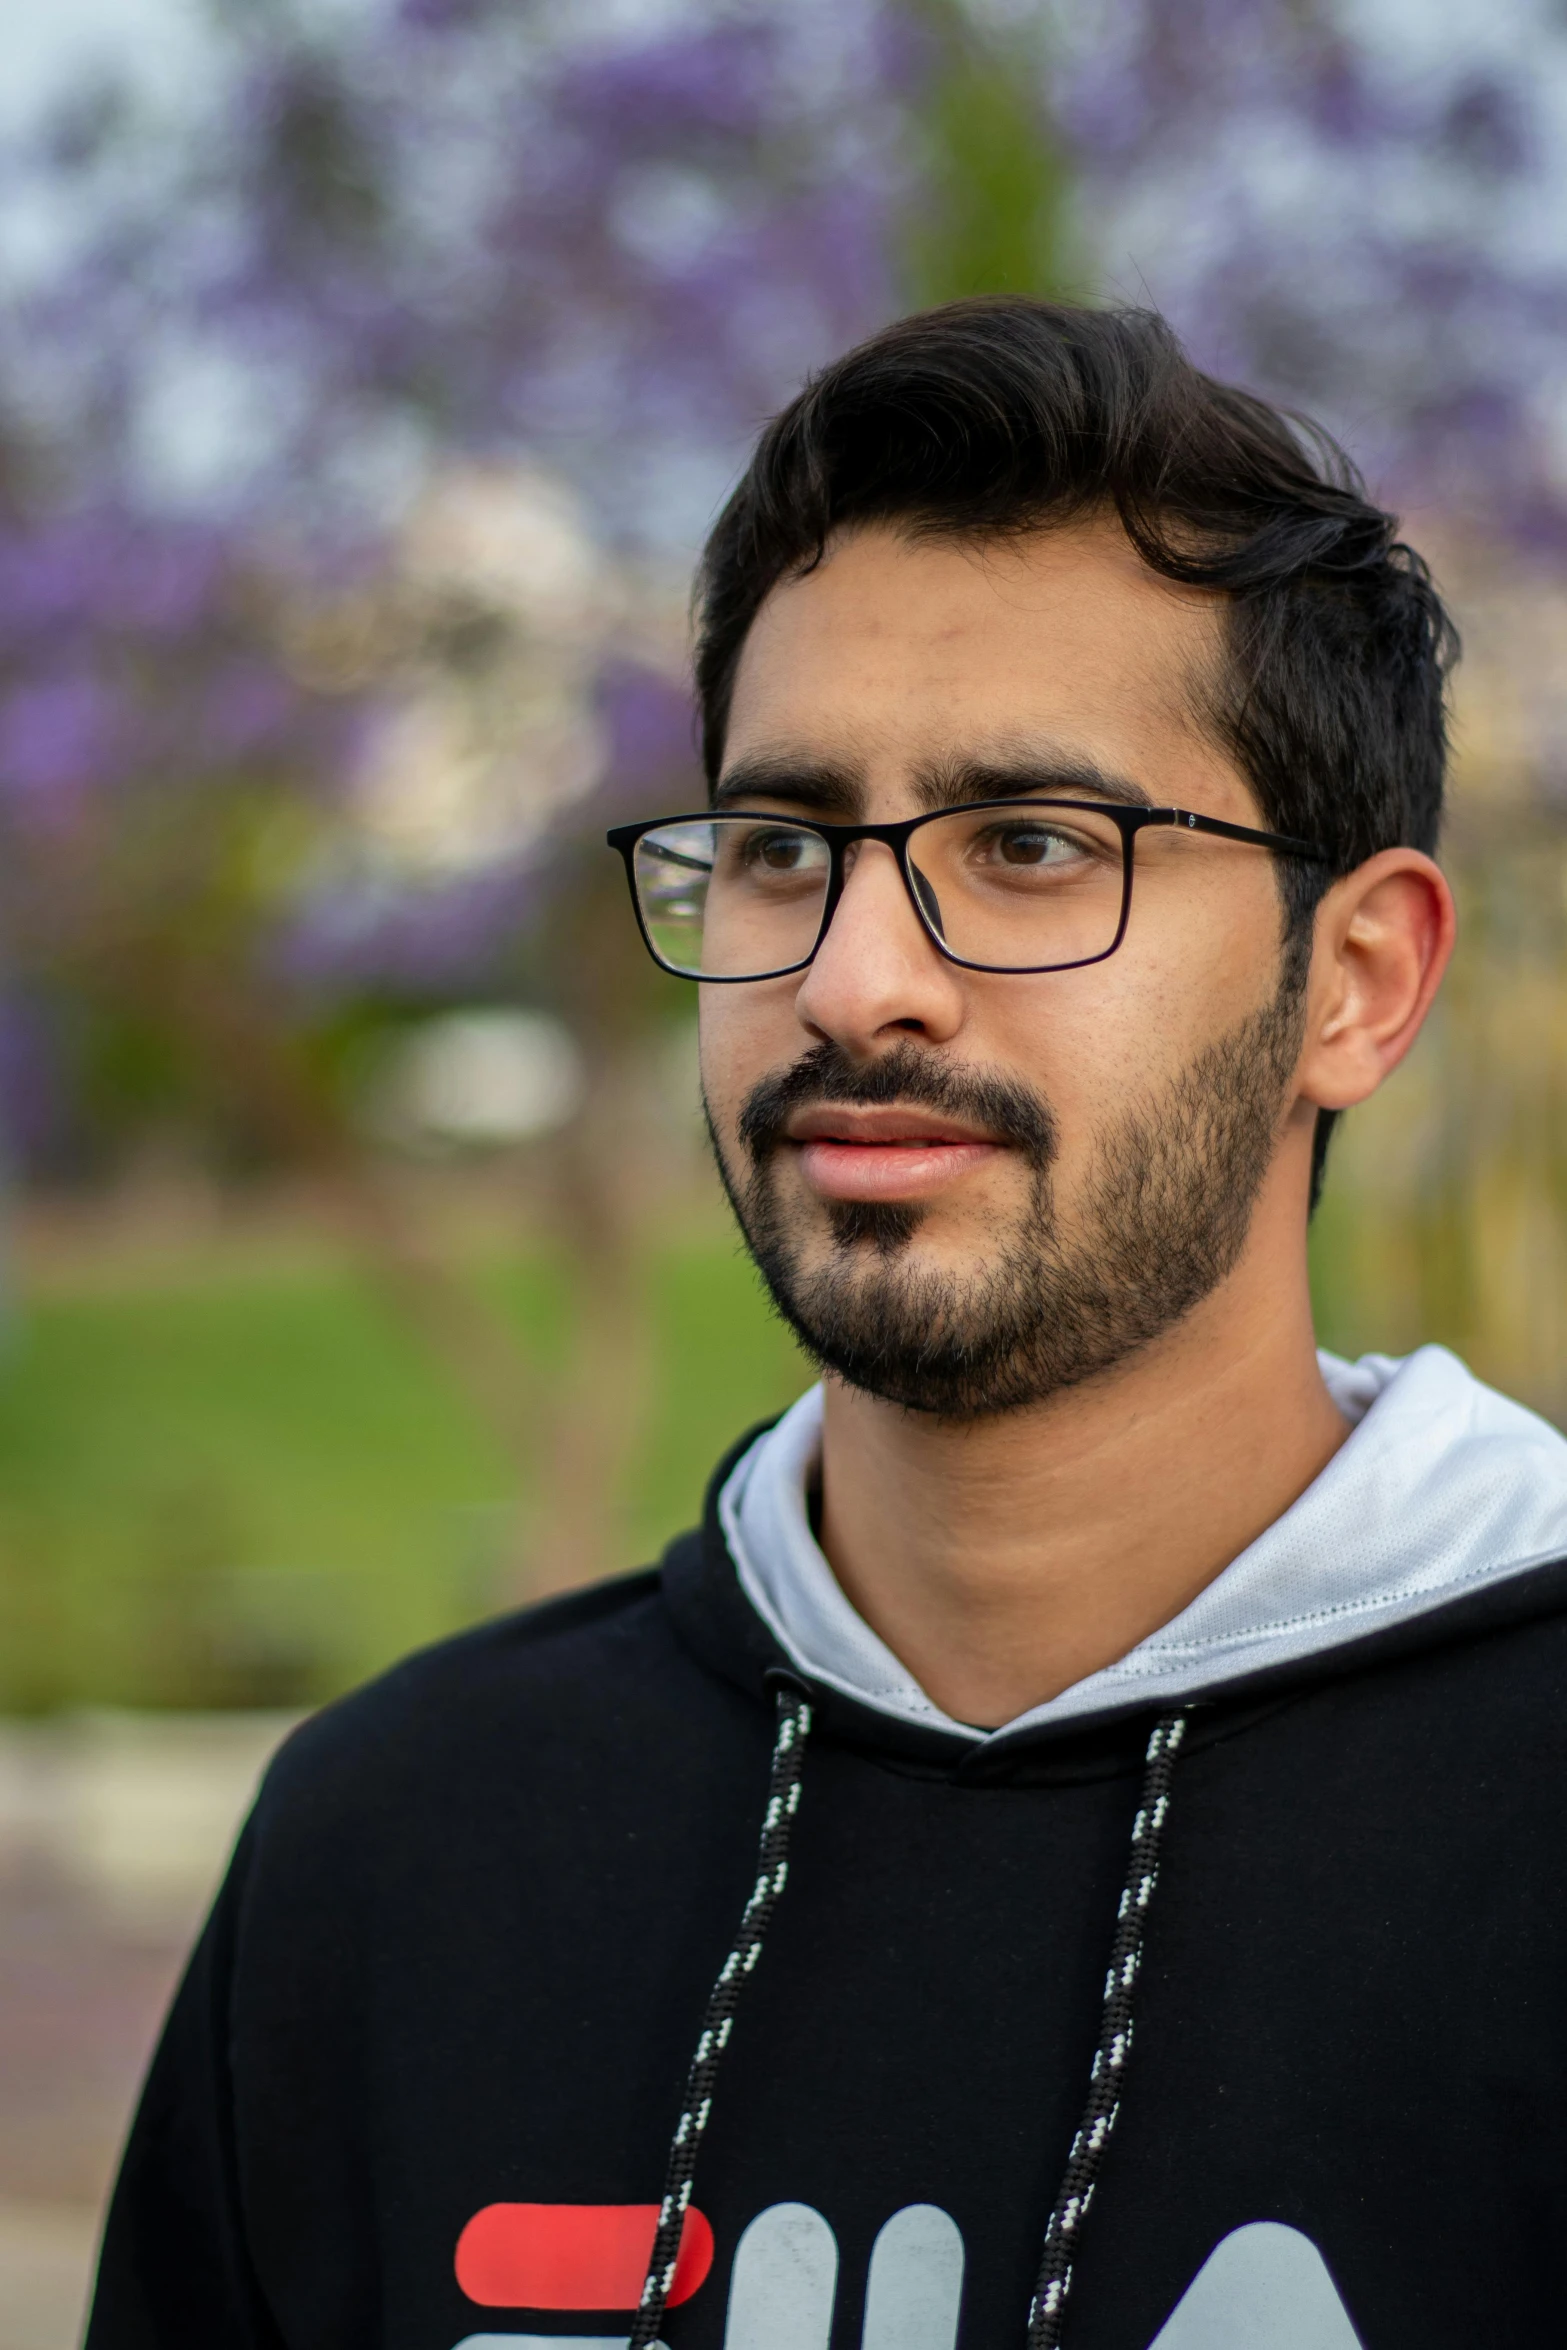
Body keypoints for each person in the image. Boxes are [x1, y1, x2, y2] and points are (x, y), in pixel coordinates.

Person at [86, 300, 1567, 2350]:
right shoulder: (399, 1853)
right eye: (783, 845)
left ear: (1360, 980)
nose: (861, 975)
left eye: (1035, 845)